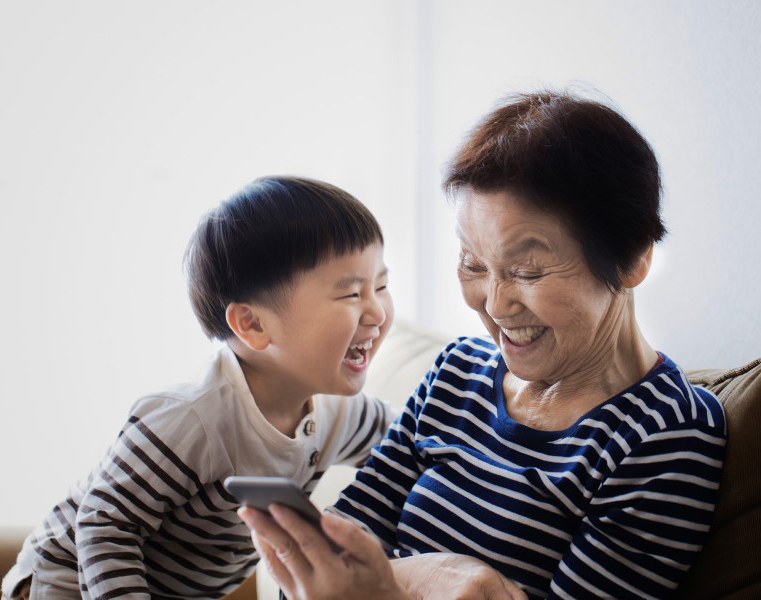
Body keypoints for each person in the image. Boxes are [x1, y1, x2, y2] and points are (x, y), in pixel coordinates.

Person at [238, 92, 727, 600]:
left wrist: (381, 588)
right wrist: (411, 580)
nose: (494, 304)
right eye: (473, 263)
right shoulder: (456, 374)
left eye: (526, 270)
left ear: (632, 260)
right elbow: (329, 559)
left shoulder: (666, 436)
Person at [1, 176, 396, 600]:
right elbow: (104, 523)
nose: (376, 310)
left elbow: (412, 442)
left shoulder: (341, 413)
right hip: (67, 579)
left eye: (381, 286)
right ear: (254, 325)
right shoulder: (194, 417)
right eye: (352, 293)